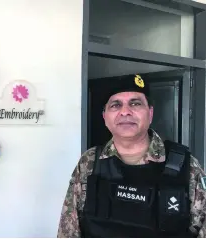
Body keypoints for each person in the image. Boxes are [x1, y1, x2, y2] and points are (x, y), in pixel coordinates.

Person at [57, 74, 206, 237]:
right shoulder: (90, 162)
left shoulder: (184, 165)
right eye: (115, 105)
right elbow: (69, 230)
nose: (125, 112)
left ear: (150, 113)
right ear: (104, 117)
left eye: (135, 103)